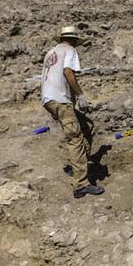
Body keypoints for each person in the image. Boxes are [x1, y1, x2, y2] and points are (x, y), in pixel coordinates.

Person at [40, 25, 101, 198]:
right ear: (74, 40)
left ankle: (79, 165)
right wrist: (81, 95)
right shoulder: (70, 50)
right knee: (75, 138)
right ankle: (81, 184)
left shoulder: (52, 52)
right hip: (60, 100)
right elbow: (68, 72)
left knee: (85, 125)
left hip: (48, 99)